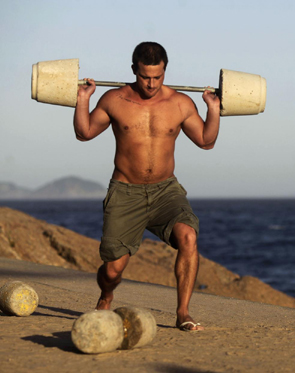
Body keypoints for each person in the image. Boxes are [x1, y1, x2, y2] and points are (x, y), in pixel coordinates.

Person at [73, 41, 220, 332]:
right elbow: (84, 132)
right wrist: (83, 99)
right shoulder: (114, 99)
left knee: (188, 237)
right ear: (133, 71)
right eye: (144, 76)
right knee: (112, 271)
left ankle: (183, 313)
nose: (151, 83)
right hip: (126, 192)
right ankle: (106, 294)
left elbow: (206, 141)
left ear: (165, 71)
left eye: (157, 76)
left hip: (166, 191)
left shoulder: (180, 103)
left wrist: (213, 110)